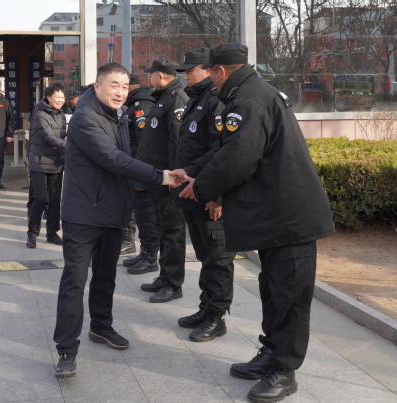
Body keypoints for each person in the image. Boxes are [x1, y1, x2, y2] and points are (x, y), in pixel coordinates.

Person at [171, 43, 335, 402]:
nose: (209, 79)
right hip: (276, 216)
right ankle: (271, 353)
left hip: (290, 218)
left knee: (289, 296)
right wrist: (194, 171)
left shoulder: (248, 100)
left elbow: (239, 158)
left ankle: (285, 371)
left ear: (220, 71)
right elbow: (226, 150)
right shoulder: (248, 94)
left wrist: (202, 186)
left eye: (210, 72)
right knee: (273, 290)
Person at [52, 62, 178, 379]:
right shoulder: (85, 117)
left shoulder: (117, 114)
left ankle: (101, 326)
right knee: (74, 282)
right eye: (113, 85)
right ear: (97, 86)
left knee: (106, 275)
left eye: (124, 86)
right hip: (84, 214)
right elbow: (113, 158)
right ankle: (66, 350)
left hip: (112, 210)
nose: (120, 92)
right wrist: (159, 176)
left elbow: (126, 158)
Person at [170, 48, 238, 343]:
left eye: (190, 70)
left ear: (208, 69)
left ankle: (216, 317)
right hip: (192, 192)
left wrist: (216, 195)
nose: (185, 75)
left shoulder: (216, 100)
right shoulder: (196, 98)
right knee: (205, 256)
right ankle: (206, 307)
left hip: (209, 194)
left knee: (218, 258)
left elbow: (221, 152)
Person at [135, 60, 190, 303]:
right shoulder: (163, 97)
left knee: (173, 233)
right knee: (163, 229)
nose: (150, 79)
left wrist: (173, 177)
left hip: (169, 180)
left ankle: (173, 284)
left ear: (160, 75)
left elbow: (177, 142)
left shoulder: (177, 99)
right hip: (159, 178)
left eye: (152, 75)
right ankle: (164, 276)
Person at [121, 74, 160, 268]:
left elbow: (143, 144)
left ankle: (150, 256)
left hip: (141, 172)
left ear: (129, 87)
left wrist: (140, 175)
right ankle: (145, 252)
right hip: (134, 170)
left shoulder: (140, 107)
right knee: (140, 213)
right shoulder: (134, 105)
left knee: (145, 214)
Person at [26, 83, 67, 248]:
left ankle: (52, 233)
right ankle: (32, 233)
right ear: (48, 97)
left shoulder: (62, 116)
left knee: (55, 200)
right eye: (57, 97)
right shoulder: (40, 115)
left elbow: (62, 136)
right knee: (40, 199)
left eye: (62, 97)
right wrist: (70, 146)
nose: (60, 100)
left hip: (57, 164)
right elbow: (49, 138)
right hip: (39, 164)